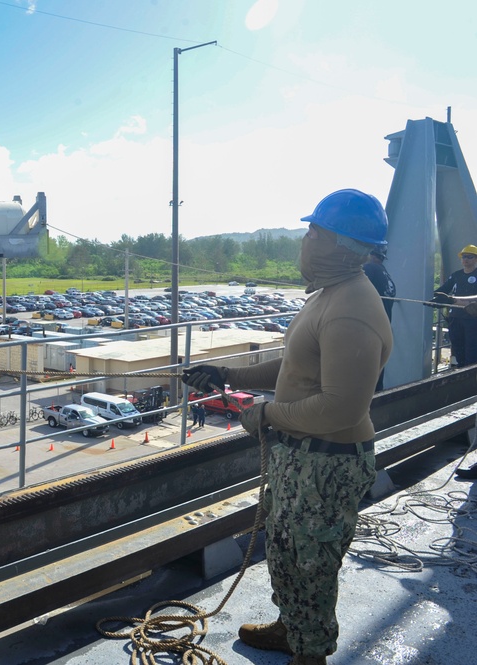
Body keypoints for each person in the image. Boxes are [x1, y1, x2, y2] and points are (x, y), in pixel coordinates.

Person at [182, 189, 392, 665]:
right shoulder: (332, 296)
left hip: (327, 461)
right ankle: (290, 627)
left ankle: (310, 654)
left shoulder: (351, 308)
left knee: (311, 563)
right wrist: (230, 376)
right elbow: (296, 367)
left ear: (341, 244)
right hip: (303, 457)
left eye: (314, 231)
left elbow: (342, 407)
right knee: (285, 550)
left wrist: (266, 416)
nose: (305, 240)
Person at [431, 244, 477, 368]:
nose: (465, 260)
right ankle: (459, 372)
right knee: (457, 348)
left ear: (476, 259)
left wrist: (451, 300)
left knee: (471, 350)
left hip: (472, 319)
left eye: (469, 257)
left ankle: (470, 377)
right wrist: (434, 299)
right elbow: (444, 290)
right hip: (455, 317)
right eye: (463, 257)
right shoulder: (456, 275)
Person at [363, 247, 397, 390]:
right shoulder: (384, 273)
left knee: (364, 374)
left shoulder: (369, 269)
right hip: (383, 327)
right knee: (377, 371)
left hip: (369, 327)